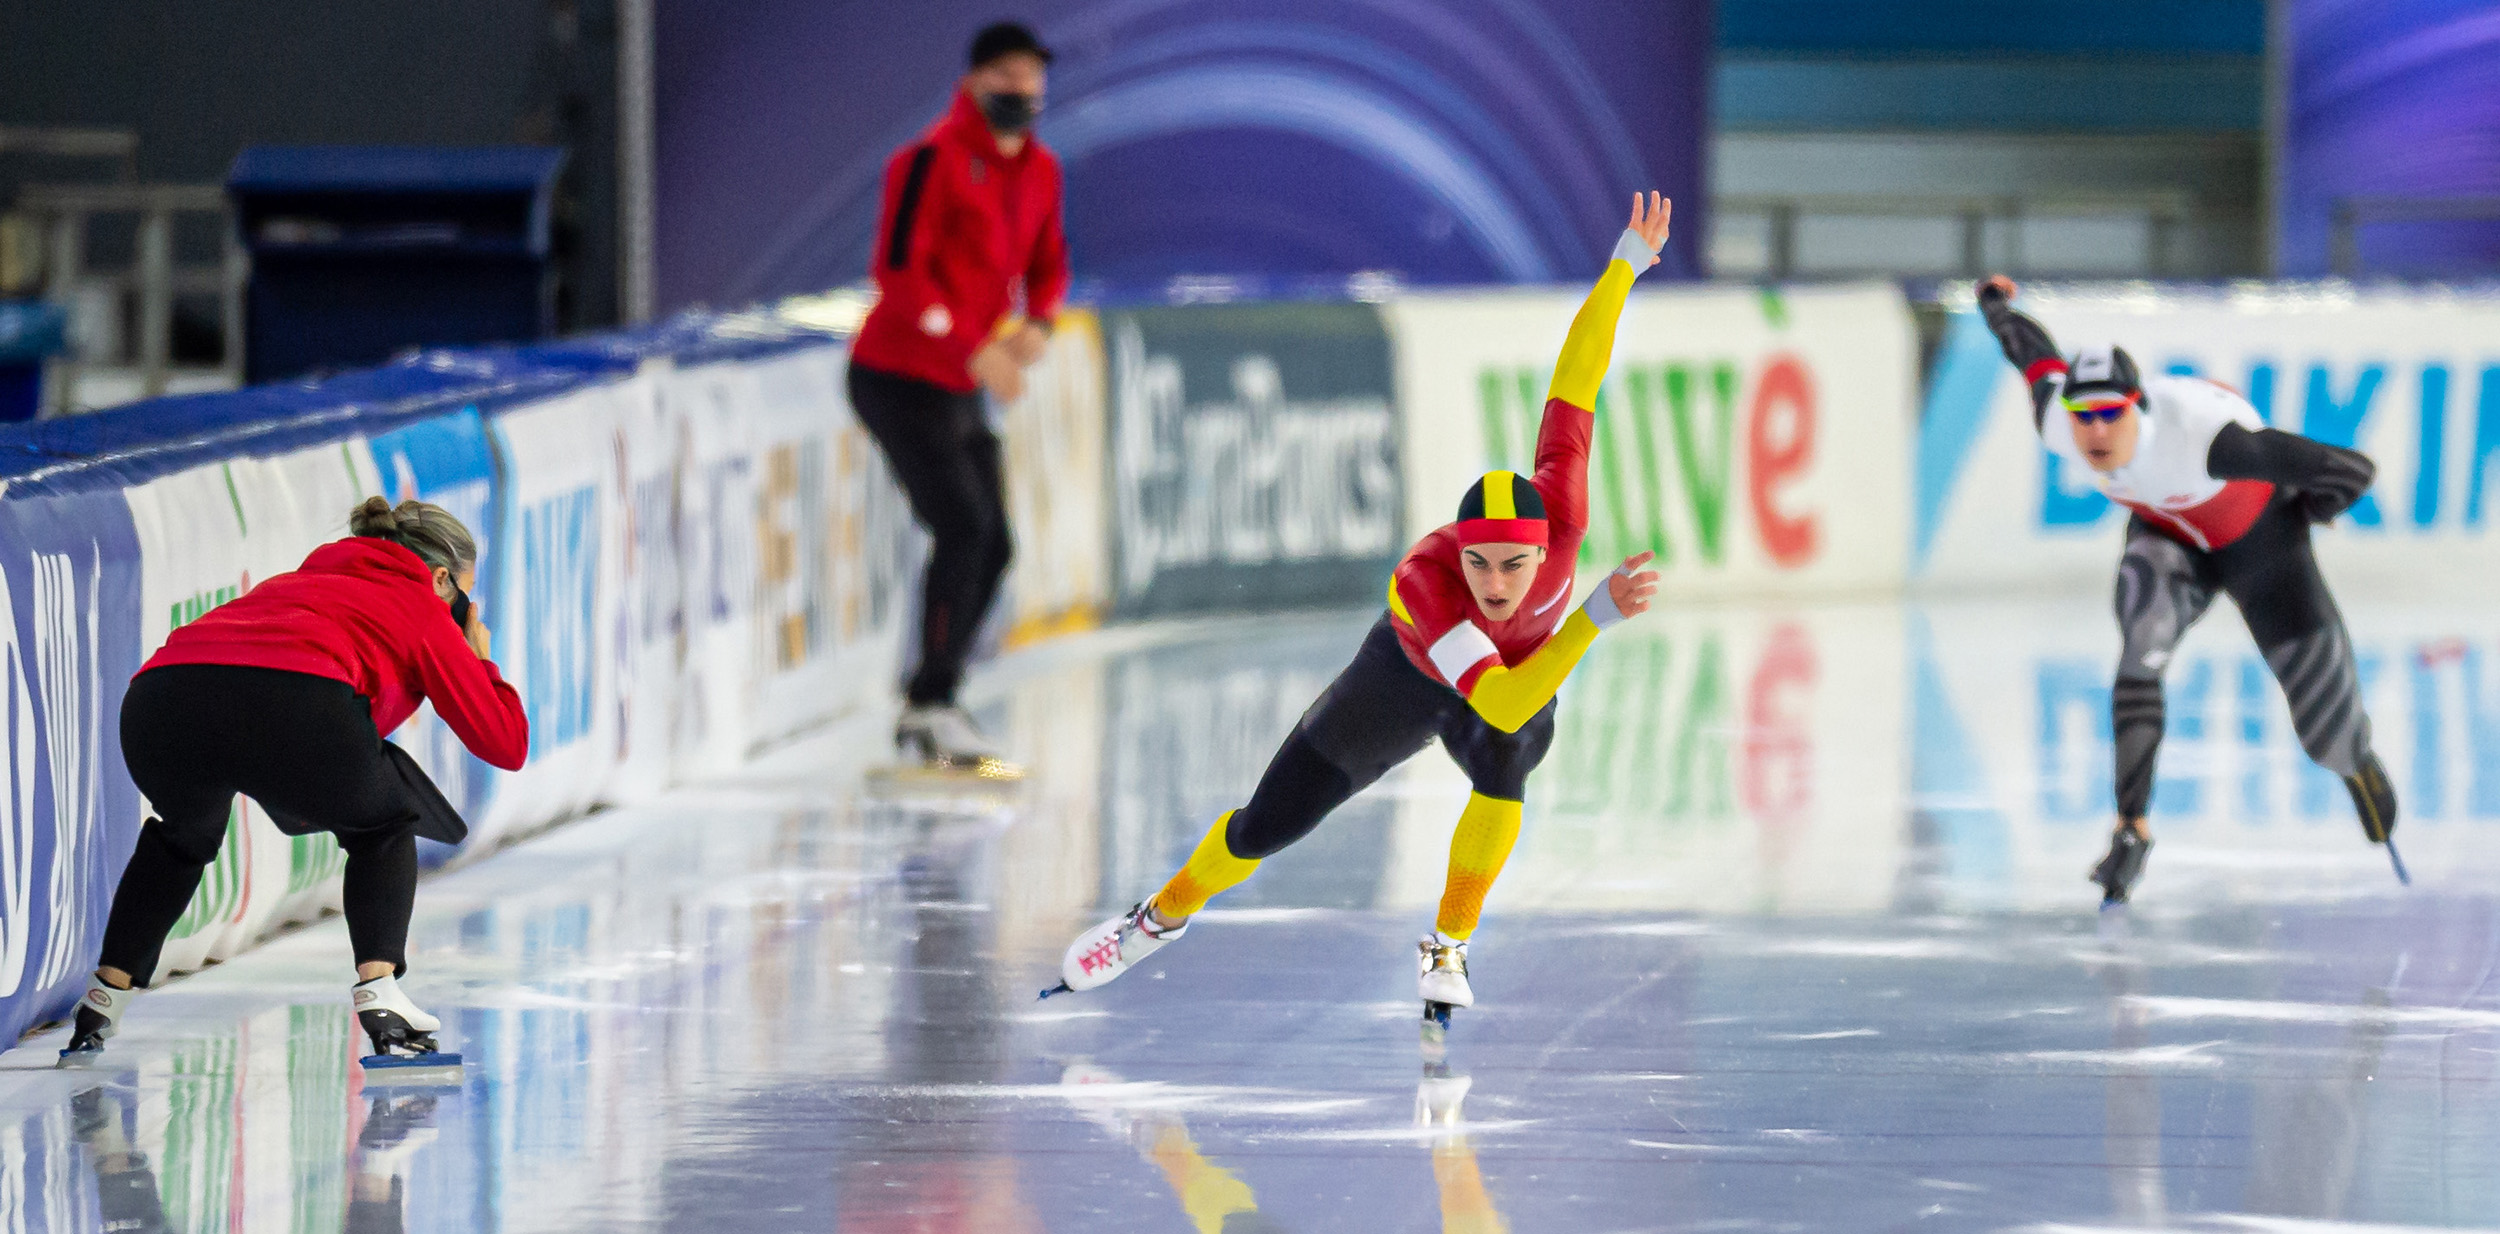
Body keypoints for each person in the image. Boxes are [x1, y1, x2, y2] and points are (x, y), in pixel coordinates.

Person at [1050, 194, 1674, 1030]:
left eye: (1515, 566)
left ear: (1545, 546)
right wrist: (1590, 616)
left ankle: (1448, 944)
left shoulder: (1563, 513)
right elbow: (1493, 698)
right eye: (1480, 562)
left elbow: (1577, 376)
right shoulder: (1428, 584)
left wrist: (1624, 264)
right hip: (1409, 679)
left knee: (1506, 767)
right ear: (1458, 549)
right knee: (1267, 826)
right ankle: (1156, 918)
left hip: (1515, 679)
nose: (1497, 584)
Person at [60, 497, 528, 1064]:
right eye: (462, 591)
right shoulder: (421, 606)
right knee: (384, 823)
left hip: (161, 699)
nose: (464, 606)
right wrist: (479, 660)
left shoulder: (300, 581)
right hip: (297, 700)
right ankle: (381, 994)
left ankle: (102, 1000)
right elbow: (504, 743)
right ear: (438, 577)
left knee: (182, 837)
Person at [1974, 275, 2395, 904]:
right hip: (2169, 540)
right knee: (2139, 653)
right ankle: (2131, 827)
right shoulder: (2058, 424)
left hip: (2262, 549)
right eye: (2082, 415)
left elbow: (2352, 470)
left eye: (2109, 414)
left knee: (2327, 739)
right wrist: (1996, 306)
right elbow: (2032, 355)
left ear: (2136, 407)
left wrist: (2307, 510)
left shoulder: (2207, 442)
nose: (2094, 433)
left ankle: (2355, 759)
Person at [849, 19, 1069, 770]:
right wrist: (971, 346)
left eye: (1030, 79)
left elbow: (1048, 263)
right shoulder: (927, 162)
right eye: (1005, 78)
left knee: (995, 542)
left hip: (956, 386)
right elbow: (900, 273)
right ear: (975, 81)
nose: (1020, 92)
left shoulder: (1039, 171)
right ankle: (931, 702)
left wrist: (1039, 321)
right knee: (964, 527)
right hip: (898, 376)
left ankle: (932, 699)